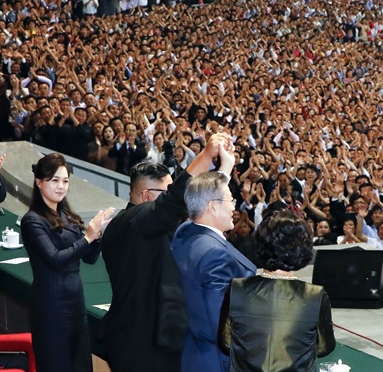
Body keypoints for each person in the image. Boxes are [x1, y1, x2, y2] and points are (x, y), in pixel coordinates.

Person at [100, 133, 233, 372]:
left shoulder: (154, 226)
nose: (174, 202)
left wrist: (225, 168)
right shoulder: (132, 222)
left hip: (154, 339)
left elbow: (204, 209)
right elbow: (175, 202)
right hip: (142, 346)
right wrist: (203, 157)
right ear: (147, 196)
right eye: (166, 191)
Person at [21, 153, 114, 372]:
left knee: (80, 365)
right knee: (56, 365)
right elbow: (55, 259)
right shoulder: (32, 220)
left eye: (65, 181)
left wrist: (98, 236)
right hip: (50, 304)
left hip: (75, 301)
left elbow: (89, 258)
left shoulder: (66, 214)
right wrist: (87, 238)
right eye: (54, 180)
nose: (61, 187)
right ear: (39, 182)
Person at [171, 144, 257, 372]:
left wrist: (226, 167)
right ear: (212, 208)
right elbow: (221, 328)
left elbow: (200, 200)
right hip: (218, 362)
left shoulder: (185, 232)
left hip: (195, 354)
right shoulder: (214, 254)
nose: (234, 206)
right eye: (230, 201)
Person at [218, 209, 336, 371]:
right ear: (303, 249)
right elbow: (325, 347)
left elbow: (225, 343)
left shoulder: (237, 288)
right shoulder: (314, 295)